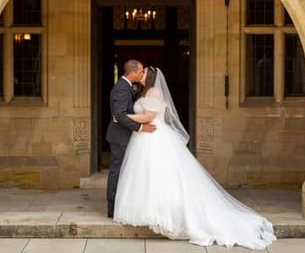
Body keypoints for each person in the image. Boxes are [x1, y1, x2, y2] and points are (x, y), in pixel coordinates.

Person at [113, 66, 277, 250]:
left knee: (162, 175)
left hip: (155, 136)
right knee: (145, 175)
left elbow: (149, 117)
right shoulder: (144, 92)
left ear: (150, 76)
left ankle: (166, 215)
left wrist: (123, 117)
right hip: (143, 139)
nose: (140, 75)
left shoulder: (156, 92)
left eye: (143, 73)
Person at [105, 59, 156, 218]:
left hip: (125, 135)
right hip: (120, 137)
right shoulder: (121, 88)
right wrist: (140, 127)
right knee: (117, 171)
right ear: (133, 73)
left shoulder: (128, 87)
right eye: (141, 71)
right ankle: (112, 208)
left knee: (125, 171)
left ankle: (123, 205)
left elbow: (120, 115)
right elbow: (119, 115)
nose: (142, 74)